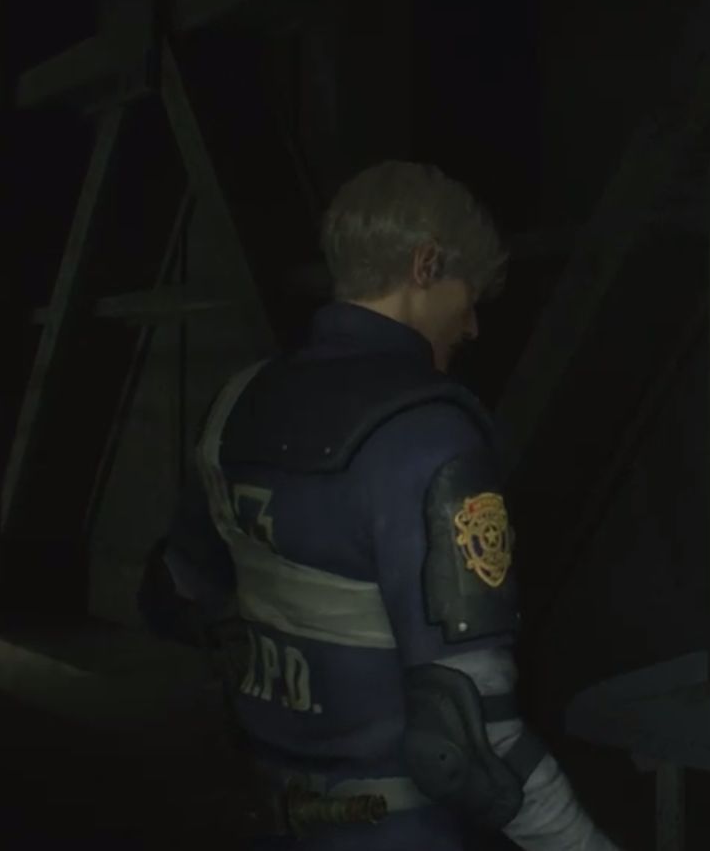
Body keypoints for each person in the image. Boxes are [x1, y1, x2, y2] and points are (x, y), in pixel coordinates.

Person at [138, 161, 622, 850]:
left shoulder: (234, 404)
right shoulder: (429, 434)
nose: (472, 324)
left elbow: (173, 598)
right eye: (468, 295)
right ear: (425, 266)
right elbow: (466, 743)